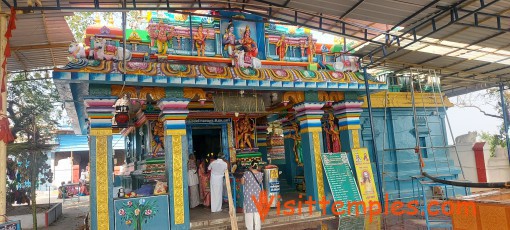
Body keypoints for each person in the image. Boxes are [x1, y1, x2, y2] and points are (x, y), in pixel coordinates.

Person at [241, 160, 263, 230]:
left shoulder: (247, 173)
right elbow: (259, 182)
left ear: (251, 166)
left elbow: (242, 182)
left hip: (249, 195)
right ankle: (257, 228)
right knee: (257, 213)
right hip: (257, 195)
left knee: (249, 213)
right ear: (257, 166)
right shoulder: (260, 174)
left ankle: (249, 228)